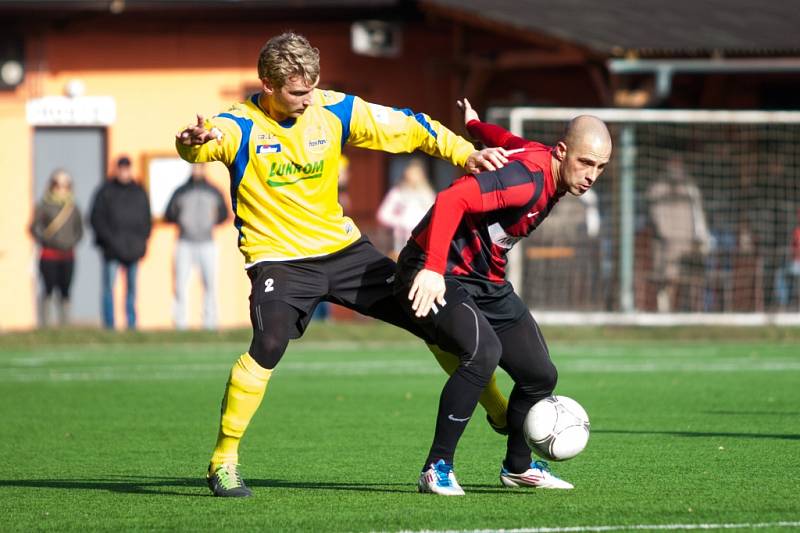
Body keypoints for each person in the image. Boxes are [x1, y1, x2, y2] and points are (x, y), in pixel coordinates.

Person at [174, 32, 511, 497]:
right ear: (267, 85)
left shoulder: (331, 109)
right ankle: (223, 460)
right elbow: (205, 143)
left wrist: (462, 152)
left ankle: (500, 410)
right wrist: (192, 143)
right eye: (297, 92)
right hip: (280, 260)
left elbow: (406, 127)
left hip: (343, 252)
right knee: (268, 343)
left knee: (429, 315)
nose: (308, 99)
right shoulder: (238, 124)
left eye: (312, 87)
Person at [394, 99, 612, 495]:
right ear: (561, 153)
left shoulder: (546, 162)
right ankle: (436, 467)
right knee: (483, 353)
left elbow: (506, 138)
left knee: (540, 375)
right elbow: (451, 200)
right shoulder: (526, 179)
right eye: (585, 163)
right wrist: (431, 268)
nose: (591, 175)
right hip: (437, 270)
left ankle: (518, 466)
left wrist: (476, 124)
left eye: (600, 167)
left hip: (485, 279)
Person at [89, 156, 152, 330]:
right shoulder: (105, 191)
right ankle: (109, 325)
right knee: (109, 289)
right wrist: (109, 241)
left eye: (127, 168)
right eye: (121, 168)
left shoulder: (139, 191)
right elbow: (96, 219)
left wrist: (142, 242)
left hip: (133, 249)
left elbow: (146, 220)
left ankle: (131, 324)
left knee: (131, 290)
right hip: (111, 249)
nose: (124, 172)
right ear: (116, 169)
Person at [164, 163, 228, 330]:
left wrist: (209, 223)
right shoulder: (181, 191)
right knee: (180, 285)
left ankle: (210, 323)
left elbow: (224, 213)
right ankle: (180, 323)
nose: (197, 170)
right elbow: (169, 214)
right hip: (184, 241)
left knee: (210, 285)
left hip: (207, 242)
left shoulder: (214, 190)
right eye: (195, 167)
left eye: (200, 167)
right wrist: (184, 221)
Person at [646, 155, 711, 312]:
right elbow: (656, 215)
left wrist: (701, 236)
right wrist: (668, 235)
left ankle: (691, 311)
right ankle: (665, 310)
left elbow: (698, 215)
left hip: (689, 243)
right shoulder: (658, 188)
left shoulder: (690, 187)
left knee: (692, 278)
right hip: (666, 244)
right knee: (668, 278)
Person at [30, 169, 84, 327]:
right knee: (48, 288)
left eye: (65, 185)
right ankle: (45, 325)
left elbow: (79, 230)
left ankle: (65, 325)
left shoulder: (73, 208)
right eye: (57, 185)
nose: (61, 188)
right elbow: (34, 228)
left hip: (68, 255)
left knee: (65, 290)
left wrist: (71, 241)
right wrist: (46, 240)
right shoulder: (44, 206)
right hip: (48, 255)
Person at [377, 158, 436, 259]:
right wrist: (400, 222)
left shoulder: (428, 194)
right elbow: (382, 215)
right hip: (401, 241)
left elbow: (434, 215)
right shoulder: (397, 193)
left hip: (423, 240)